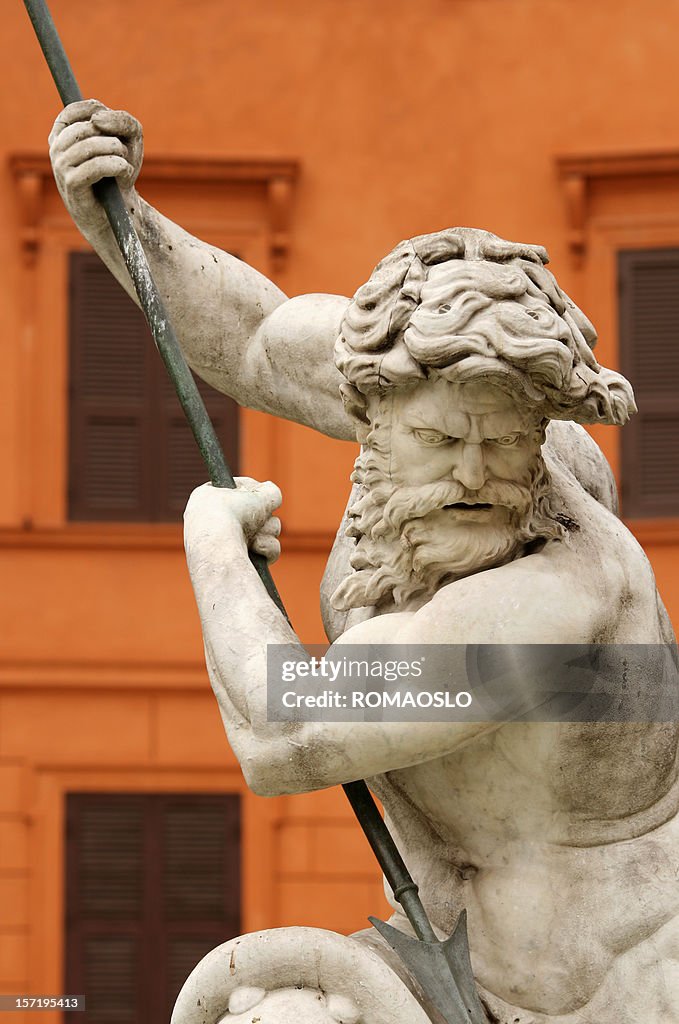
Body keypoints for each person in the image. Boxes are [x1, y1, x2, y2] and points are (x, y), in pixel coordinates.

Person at [50, 101, 679, 1024]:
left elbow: (283, 734)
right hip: (433, 955)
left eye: (506, 445)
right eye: (438, 439)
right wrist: (114, 211)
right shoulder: (403, 369)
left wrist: (212, 543)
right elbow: (256, 337)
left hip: (600, 999)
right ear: (368, 411)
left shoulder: (566, 594)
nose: (472, 474)